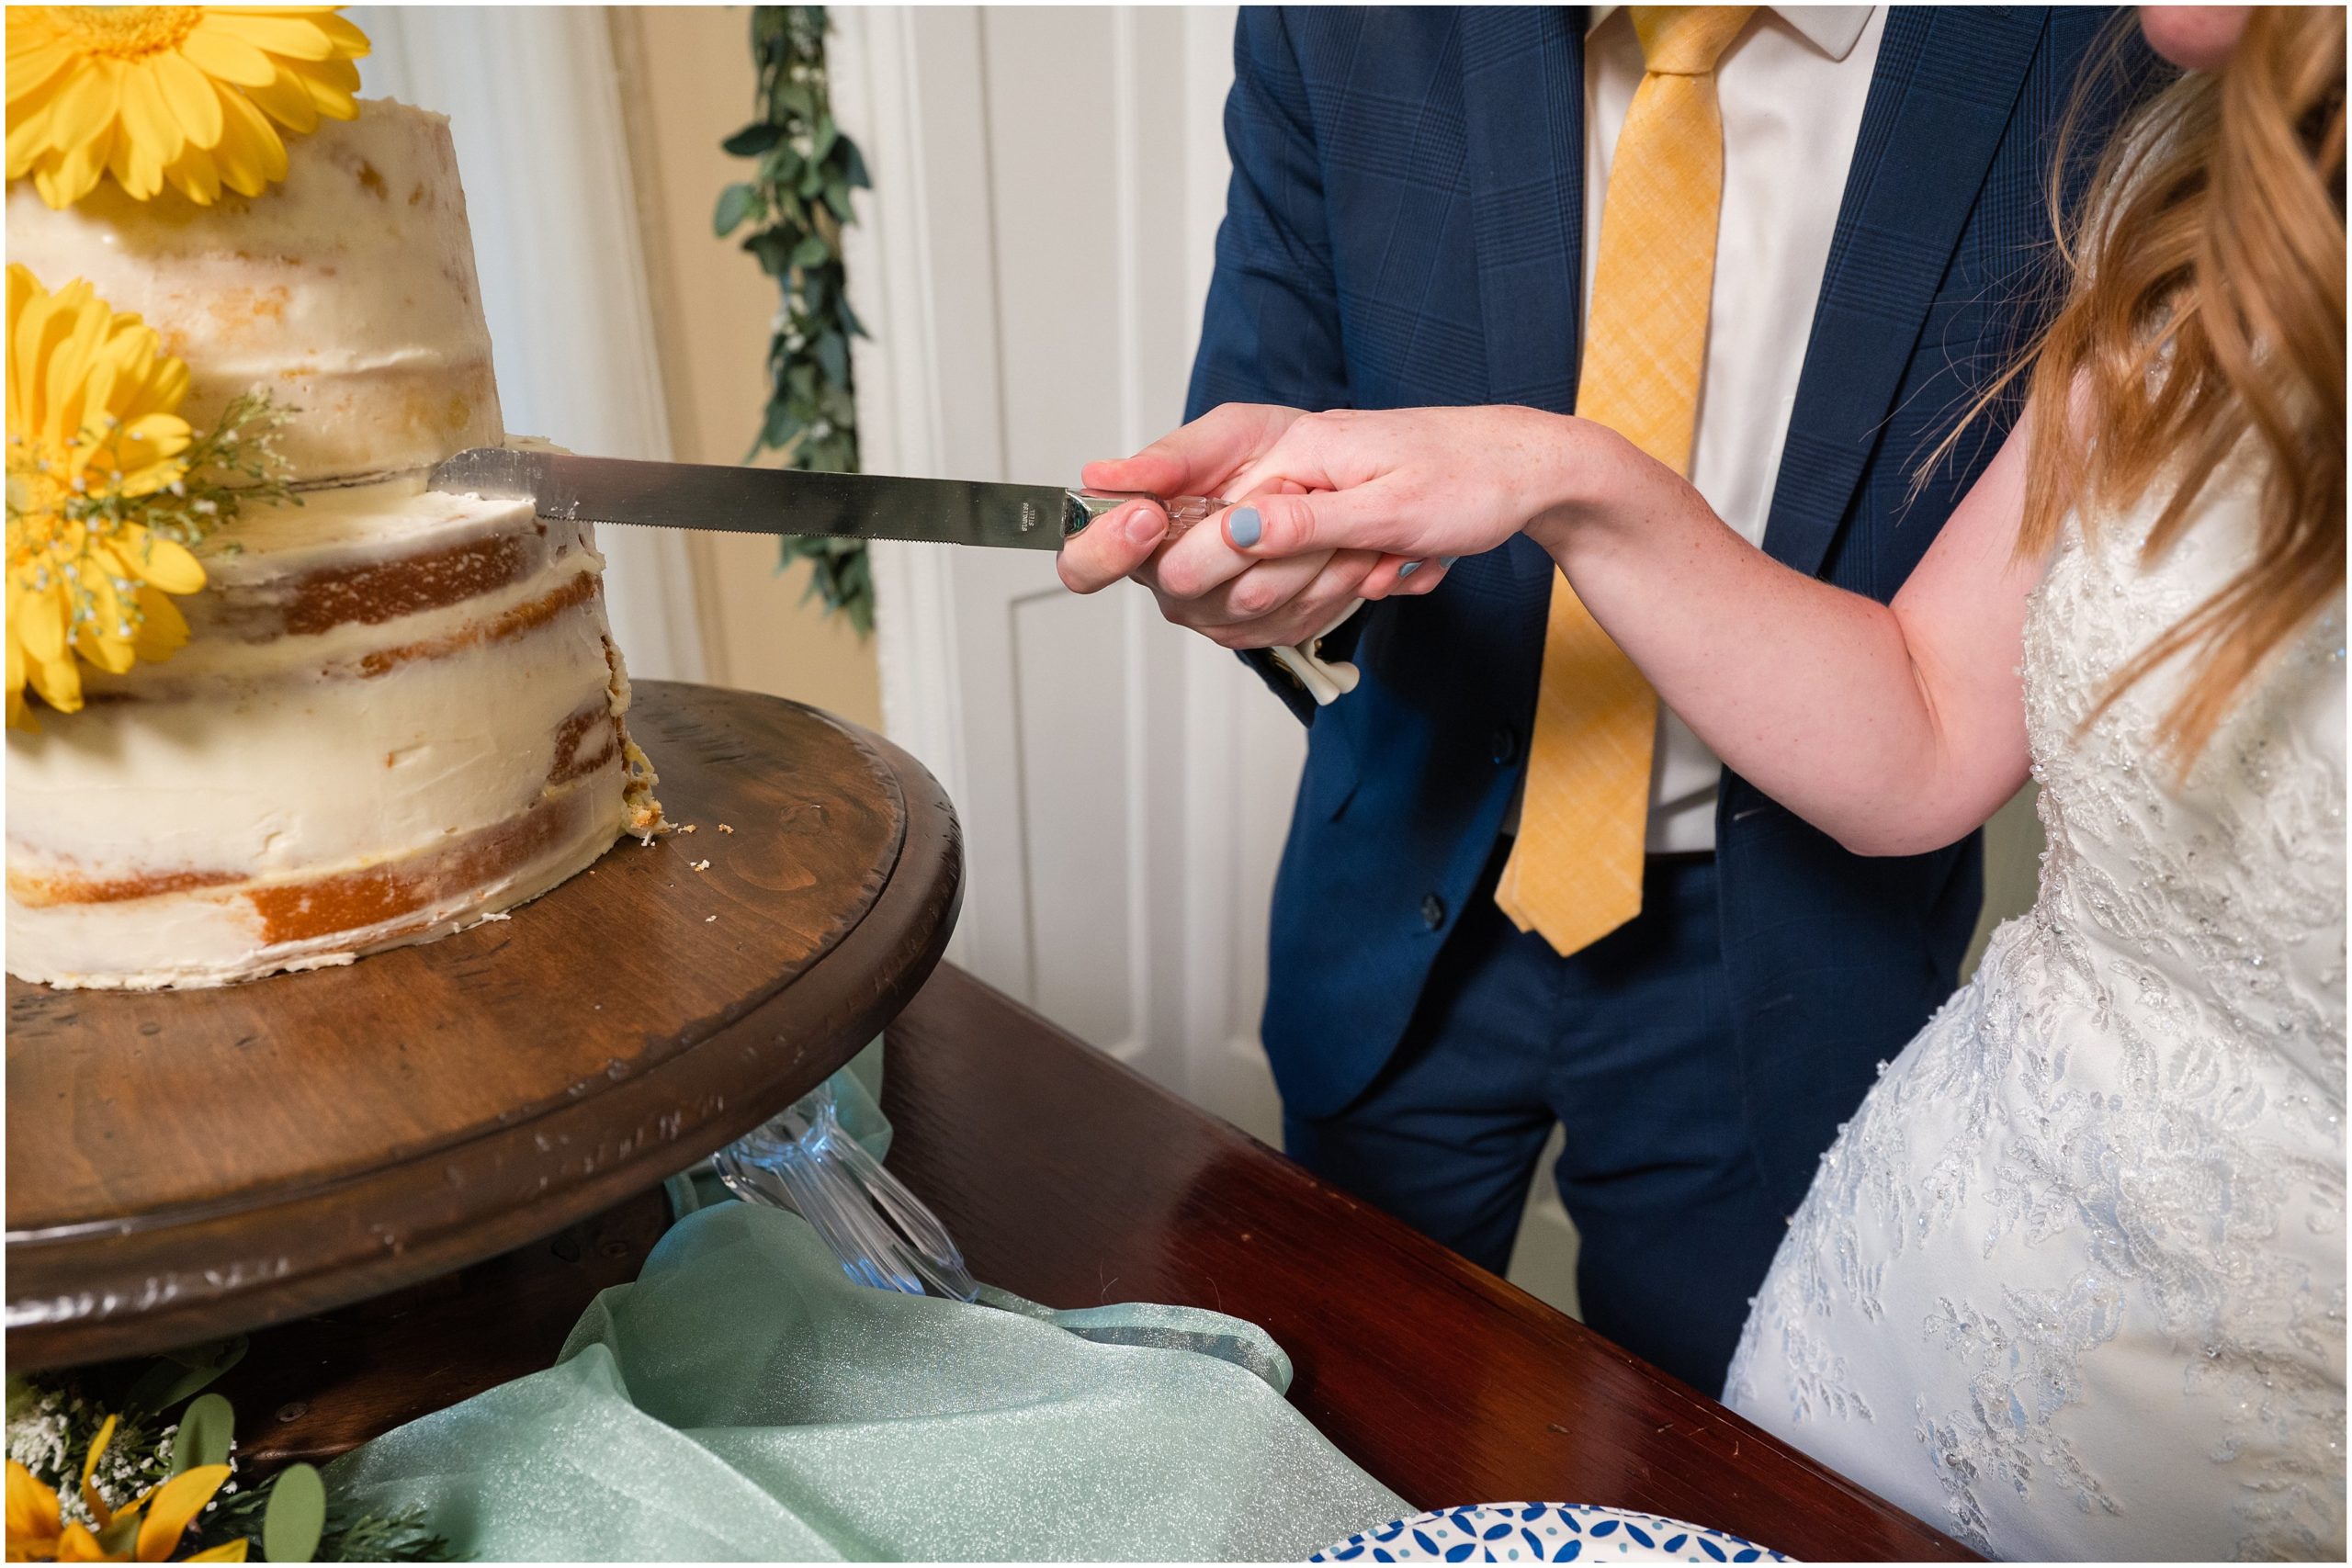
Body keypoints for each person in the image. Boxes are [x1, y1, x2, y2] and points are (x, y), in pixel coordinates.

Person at [1083, 5, 2346, 1558]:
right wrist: (1264, 567)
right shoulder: (1344, 21)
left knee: (1703, 1491)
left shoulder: (2103, 63)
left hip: (1801, 969)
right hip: (1402, 905)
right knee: (1320, 1441)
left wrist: (1564, 480)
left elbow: (1938, 721)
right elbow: (1270, 436)